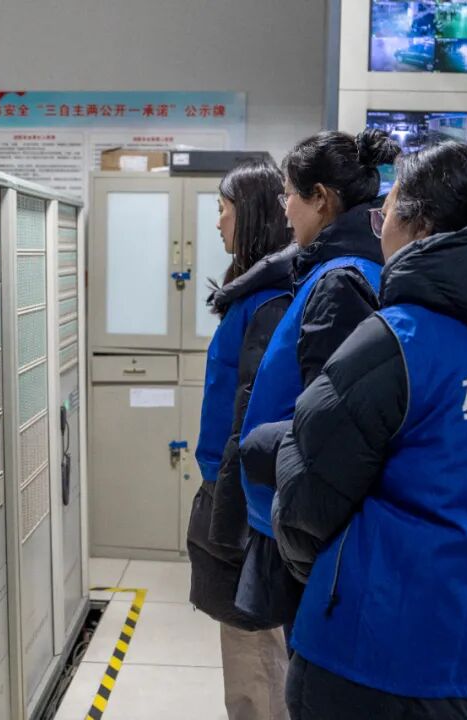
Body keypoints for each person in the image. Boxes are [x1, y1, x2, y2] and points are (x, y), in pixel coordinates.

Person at [274, 142, 467, 720]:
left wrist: (329, 579)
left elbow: (306, 499)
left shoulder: (397, 340)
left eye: (386, 212)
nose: (380, 228)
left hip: (389, 669)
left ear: (418, 225)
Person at [236, 129, 400, 631]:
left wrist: (261, 449)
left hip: (303, 517)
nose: (284, 209)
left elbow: (328, 428)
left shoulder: (340, 282)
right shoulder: (347, 269)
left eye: (288, 194)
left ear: (321, 199)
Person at [186, 160, 296, 720]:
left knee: (256, 650)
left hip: (249, 497)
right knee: (250, 644)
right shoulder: (256, 294)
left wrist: (229, 504)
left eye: (223, 210)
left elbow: (253, 416)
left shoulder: (269, 302)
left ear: (250, 215)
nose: (217, 223)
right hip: (236, 486)